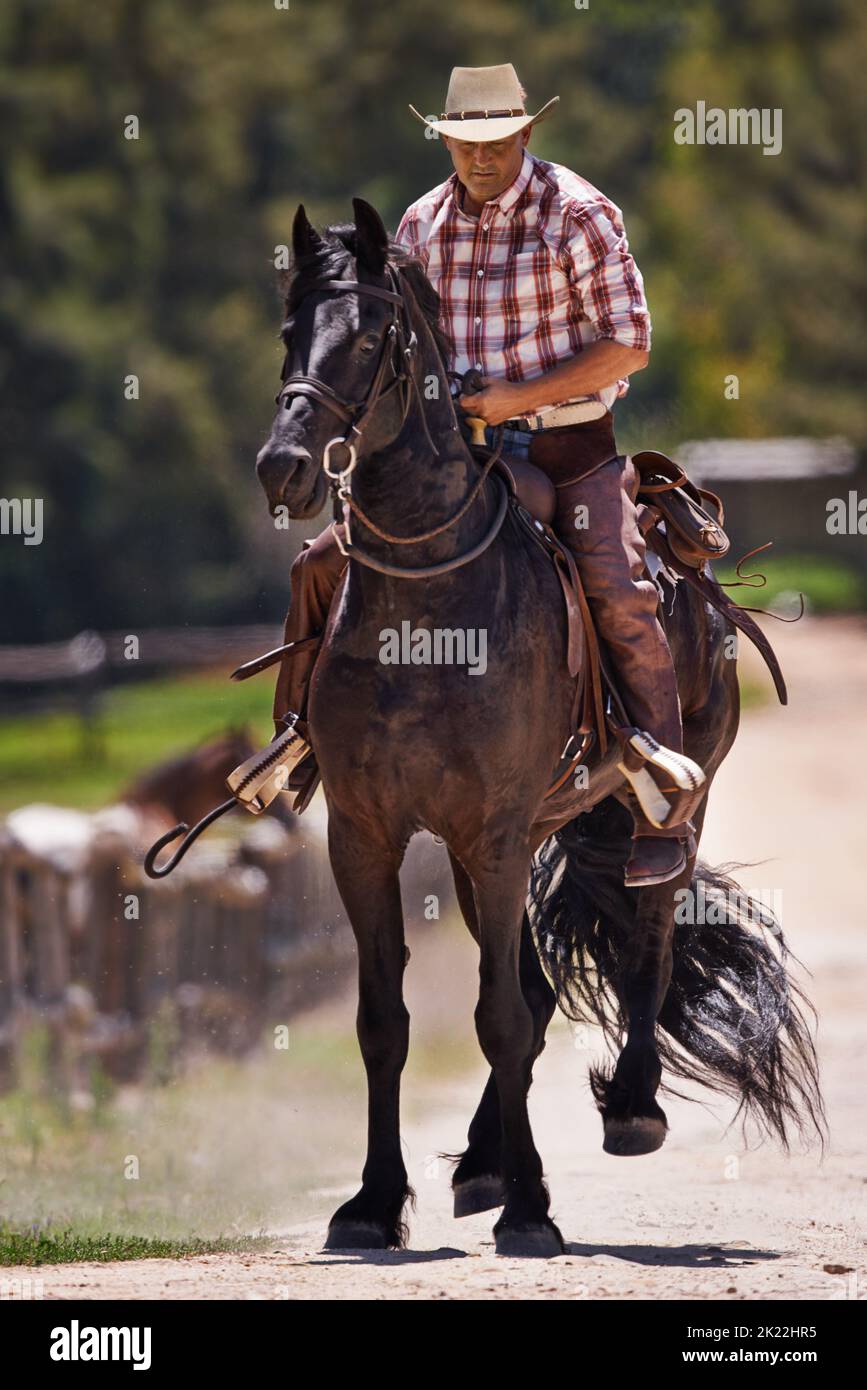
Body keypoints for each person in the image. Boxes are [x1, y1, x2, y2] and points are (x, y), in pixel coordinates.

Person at [272, 63, 705, 888]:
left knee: (616, 585)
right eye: (464, 142)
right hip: (458, 455)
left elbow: (627, 345)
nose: (480, 157)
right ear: (443, 139)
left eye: (496, 141)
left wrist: (516, 397)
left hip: (565, 448)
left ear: (527, 134)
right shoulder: (421, 223)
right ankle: (298, 737)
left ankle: (662, 794)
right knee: (322, 562)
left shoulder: (576, 213)